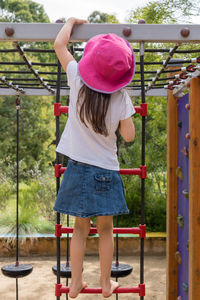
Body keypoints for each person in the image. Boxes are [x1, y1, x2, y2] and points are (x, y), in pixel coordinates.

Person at [53, 17, 136, 298]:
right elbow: (128, 136)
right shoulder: (121, 97)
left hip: (76, 168)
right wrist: (127, 106)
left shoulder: (76, 76)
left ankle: (75, 282)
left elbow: (59, 45)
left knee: (78, 229)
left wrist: (70, 23)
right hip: (105, 171)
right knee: (105, 230)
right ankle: (104, 283)